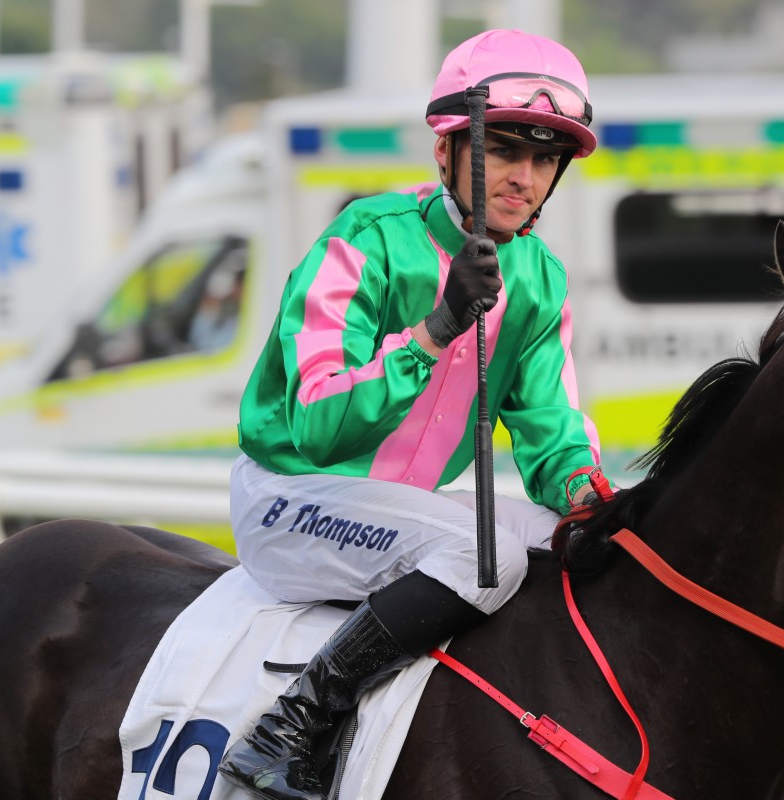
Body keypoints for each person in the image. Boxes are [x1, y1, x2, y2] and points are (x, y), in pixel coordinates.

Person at [217, 29, 609, 800]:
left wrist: (592, 500)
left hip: (401, 512)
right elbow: (320, 427)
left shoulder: (539, 279)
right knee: (490, 559)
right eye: (501, 150)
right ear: (445, 152)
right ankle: (294, 722)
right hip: (292, 499)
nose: (522, 178)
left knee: (571, 545)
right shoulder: (364, 239)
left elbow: (550, 427)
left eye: (542, 160)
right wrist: (434, 331)